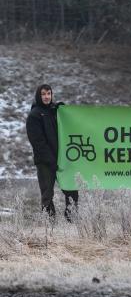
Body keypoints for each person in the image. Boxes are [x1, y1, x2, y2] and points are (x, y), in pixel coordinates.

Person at [26, 84, 78, 221]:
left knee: (71, 189)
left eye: (49, 93)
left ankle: (72, 220)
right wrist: (51, 160)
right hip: (45, 162)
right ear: (39, 96)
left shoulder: (55, 111)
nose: (46, 97)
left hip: (62, 159)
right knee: (47, 195)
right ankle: (50, 226)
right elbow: (37, 143)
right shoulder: (34, 115)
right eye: (43, 94)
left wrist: (63, 109)